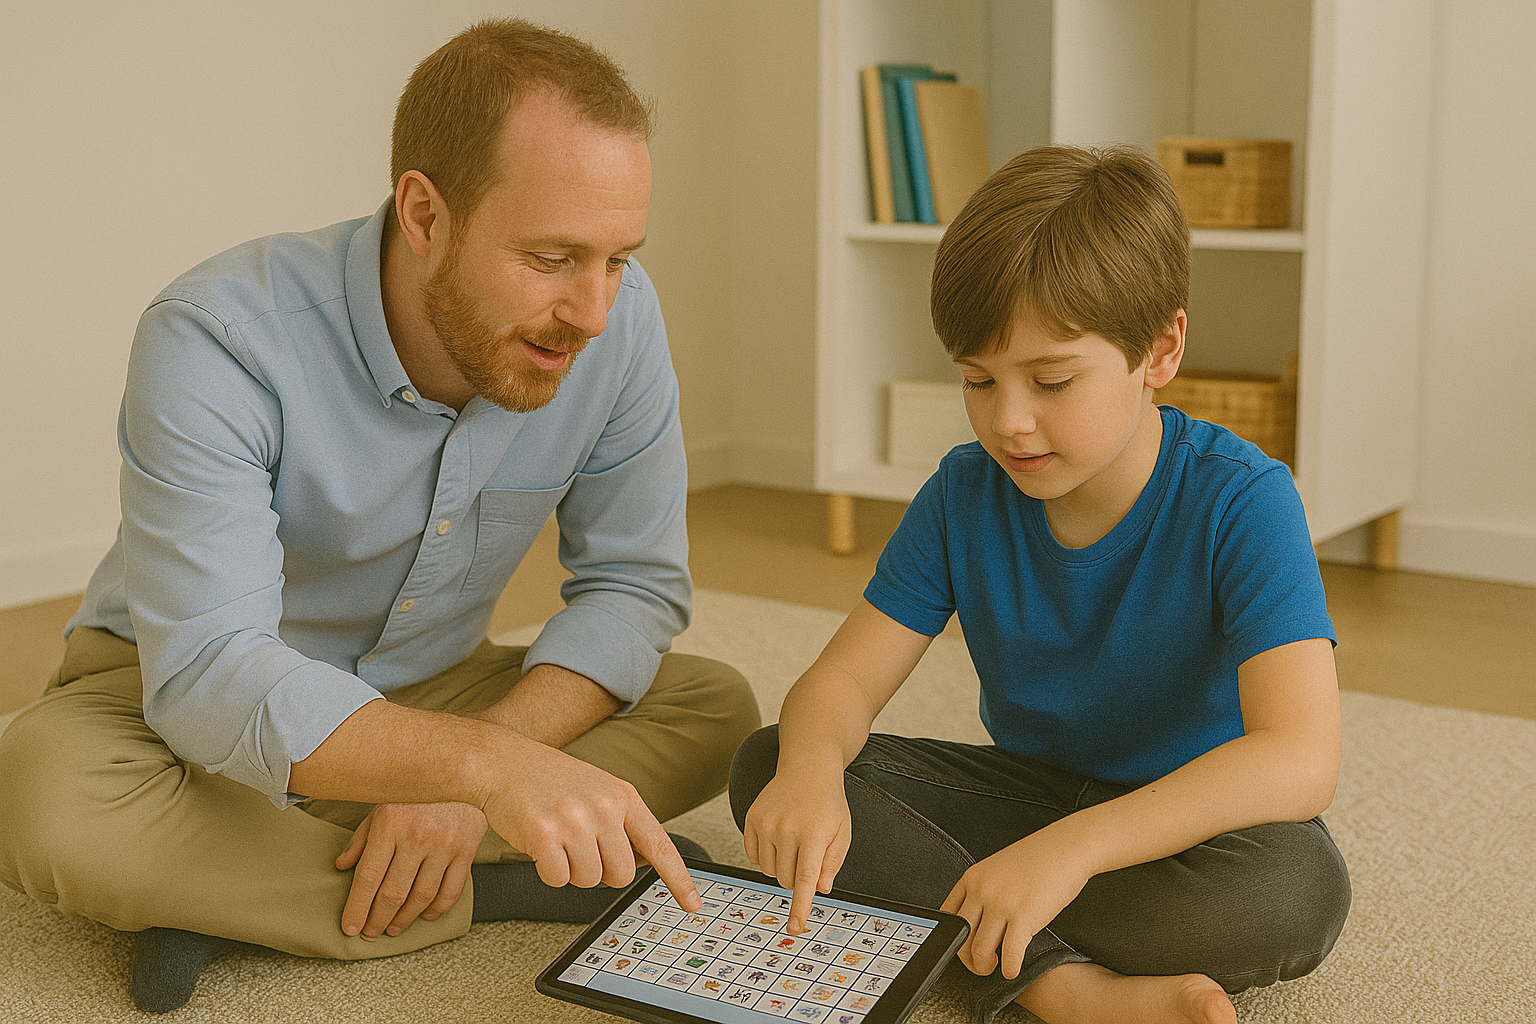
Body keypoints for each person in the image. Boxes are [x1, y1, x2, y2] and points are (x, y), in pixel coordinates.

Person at [0, 17, 760, 1014]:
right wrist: (490, 770)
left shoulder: (618, 324)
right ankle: (495, 882)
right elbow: (212, 673)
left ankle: (232, 890)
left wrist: (463, 773)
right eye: (551, 257)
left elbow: (634, 586)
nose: (595, 312)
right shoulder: (216, 337)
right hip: (167, 694)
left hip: (431, 681)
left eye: (618, 259)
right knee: (44, 797)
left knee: (715, 706)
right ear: (423, 213)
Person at [730, 146, 1350, 1024]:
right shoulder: (961, 493)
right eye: (977, 382)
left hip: (1183, 831)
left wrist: (1075, 849)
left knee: (1298, 892)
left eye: (1051, 381)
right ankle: (1064, 987)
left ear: (1160, 350)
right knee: (772, 765)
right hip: (1022, 804)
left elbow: (1300, 757)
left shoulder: (1243, 500)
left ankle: (975, 922)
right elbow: (842, 682)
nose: (1008, 421)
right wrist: (809, 771)